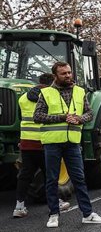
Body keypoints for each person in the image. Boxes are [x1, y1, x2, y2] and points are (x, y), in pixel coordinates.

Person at [34, 61, 101, 228]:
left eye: (69, 72)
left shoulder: (80, 91)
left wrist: (79, 118)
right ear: (55, 76)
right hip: (52, 143)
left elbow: (89, 113)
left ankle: (88, 214)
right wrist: (61, 117)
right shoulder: (45, 93)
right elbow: (37, 116)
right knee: (52, 180)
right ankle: (54, 214)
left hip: (72, 143)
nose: (68, 75)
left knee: (79, 179)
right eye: (63, 73)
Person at [12, 73, 70, 218]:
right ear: (52, 82)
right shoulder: (51, 96)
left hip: (26, 142)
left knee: (25, 175)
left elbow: (21, 118)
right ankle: (56, 202)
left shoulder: (23, 98)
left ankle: (19, 207)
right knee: (50, 174)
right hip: (45, 142)